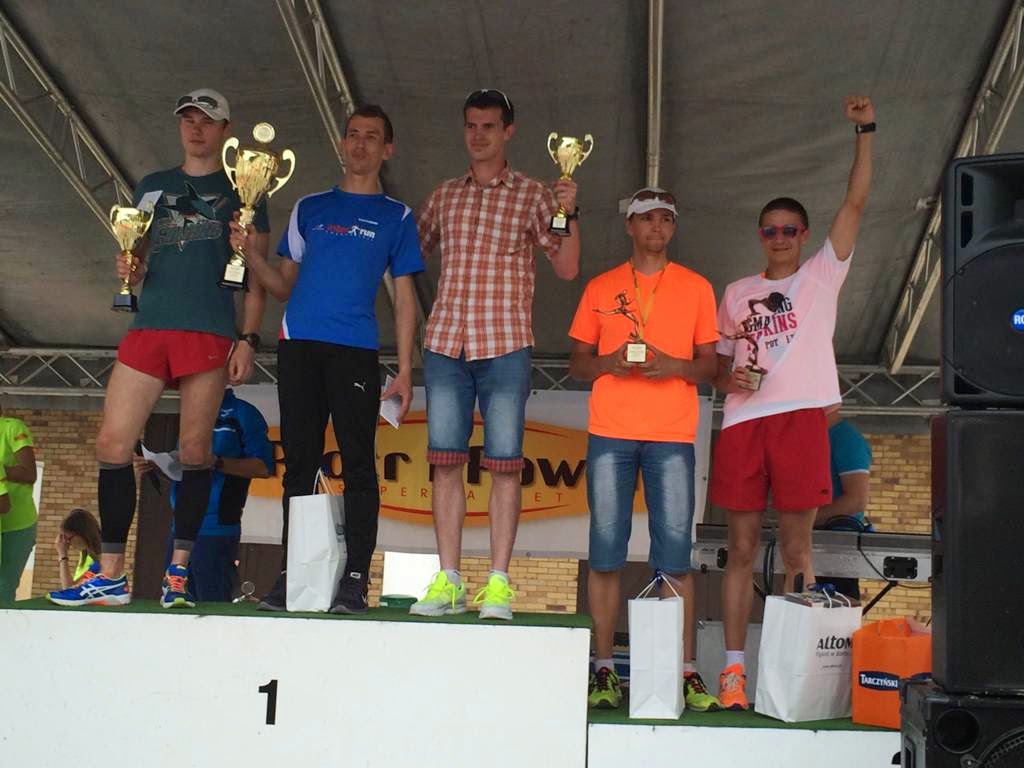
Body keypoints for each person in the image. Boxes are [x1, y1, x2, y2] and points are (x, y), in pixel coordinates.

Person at [49, 88, 269, 608]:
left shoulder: (244, 190)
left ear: (225, 130)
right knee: (111, 445)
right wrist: (130, 268)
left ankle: (178, 573)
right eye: (187, 119)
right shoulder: (152, 186)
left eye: (206, 120)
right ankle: (110, 575)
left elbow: (256, 278)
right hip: (150, 326)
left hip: (208, 329)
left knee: (195, 450)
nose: (195, 128)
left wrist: (248, 339)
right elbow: (140, 259)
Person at [710, 96, 875, 710]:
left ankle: (792, 674)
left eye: (788, 230)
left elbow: (855, 202)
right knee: (741, 549)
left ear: (803, 236)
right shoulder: (736, 292)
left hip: (803, 419)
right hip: (744, 421)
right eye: (769, 230)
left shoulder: (821, 276)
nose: (778, 238)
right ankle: (733, 674)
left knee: (797, 549)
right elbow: (719, 368)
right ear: (760, 236)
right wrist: (733, 378)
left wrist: (865, 131)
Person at [231, 104, 424, 614]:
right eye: (353, 134)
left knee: (358, 463)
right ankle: (293, 573)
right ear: (342, 143)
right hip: (299, 345)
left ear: (388, 149)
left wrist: (406, 368)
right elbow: (282, 286)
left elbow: (405, 298)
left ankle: (355, 578)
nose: (360, 144)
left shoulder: (397, 216)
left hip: (355, 350)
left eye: (372, 136)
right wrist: (250, 254)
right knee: (299, 465)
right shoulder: (309, 207)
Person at [410, 89, 580, 621]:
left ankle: (500, 583)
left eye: (488, 126)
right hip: (446, 342)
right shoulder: (444, 195)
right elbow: (407, 254)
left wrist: (569, 212)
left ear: (509, 131)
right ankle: (449, 580)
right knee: (444, 462)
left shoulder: (533, 194)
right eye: (471, 125)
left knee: (505, 464)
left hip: (504, 342)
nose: (478, 134)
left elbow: (567, 267)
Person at [568, 187, 721, 711]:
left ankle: (681, 670)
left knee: (676, 557)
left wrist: (673, 366)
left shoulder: (697, 287)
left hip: (672, 434)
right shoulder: (601, 287)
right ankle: (604, 667)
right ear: (629, 226)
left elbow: (711, 366)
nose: (657, 227)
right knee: (605, 552)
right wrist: (608, 362)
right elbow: (577, 363)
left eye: (665, 219)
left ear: (673, 227)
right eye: (647, 218)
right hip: (611, 430)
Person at [814, 406, 873, 598]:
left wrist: (801, 522)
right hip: (812, 543)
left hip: (837, 546)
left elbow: (856, 500)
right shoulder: (813, 438)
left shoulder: (846, 440)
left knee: (834, 612)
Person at [0, 407, 38, 604]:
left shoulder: (12, 428)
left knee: (4, 586)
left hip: (18, 523)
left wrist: (1, 470)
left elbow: (30, 474)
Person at [54, 509, 103, 589]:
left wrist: (63, 556)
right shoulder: (87, 554)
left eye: (68, 539)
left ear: (82, 534)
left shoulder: (102, 560)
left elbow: (69, 589)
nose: (68, 543)